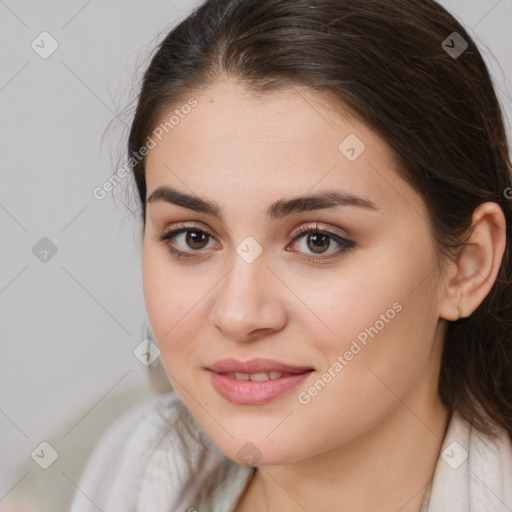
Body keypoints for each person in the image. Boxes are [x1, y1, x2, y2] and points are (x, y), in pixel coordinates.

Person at [69, 0, 512, 510]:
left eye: (317, 240)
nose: (238, 314)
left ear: (467, 265)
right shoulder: (135, 466)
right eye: (193, 237)